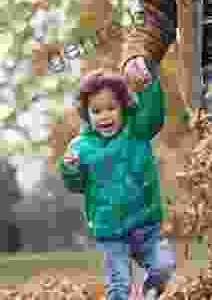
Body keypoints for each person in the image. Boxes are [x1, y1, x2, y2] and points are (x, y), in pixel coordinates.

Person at [57, 68, 176, 300]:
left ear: (124, 107)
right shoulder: (80, 147)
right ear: (86, 115)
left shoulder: (136, 130)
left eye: (111, 108)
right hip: (110, 232)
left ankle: (149, 293)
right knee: (118, 286)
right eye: (96, 111)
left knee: (163, 267)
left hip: (146, 226)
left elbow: (153, 114)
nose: (104, 116)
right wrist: (70, 169)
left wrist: (148, 85)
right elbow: (76, 185)